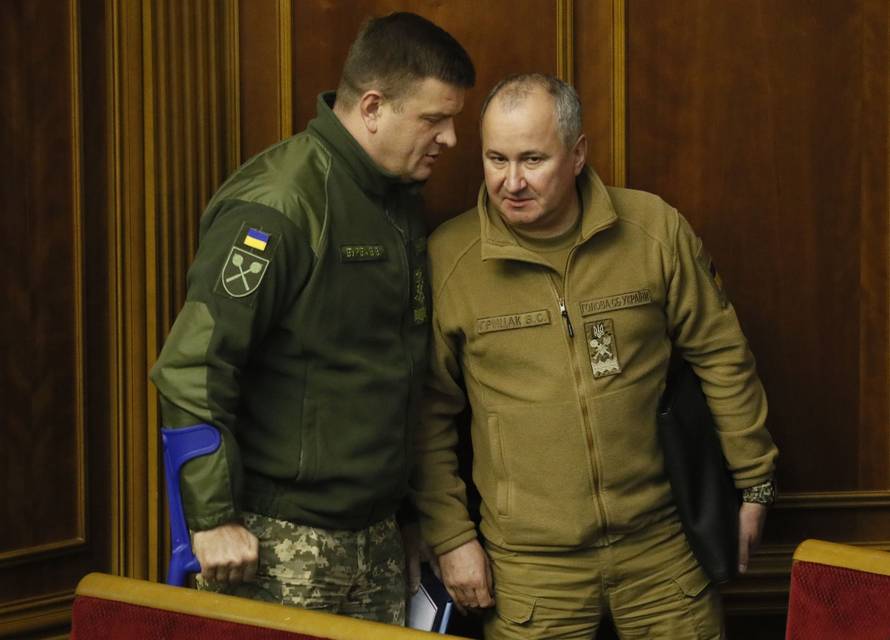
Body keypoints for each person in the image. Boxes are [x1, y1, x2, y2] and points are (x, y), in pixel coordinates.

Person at [411, 73, 778, 639]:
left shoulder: (653, 230)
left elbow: (722, 356)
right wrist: (452, 538)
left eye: (533, 159)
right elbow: (425, 414)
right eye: (496, 159)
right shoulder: (449, 260)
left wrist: (754, 482)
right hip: (531, 570)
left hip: (662, 551)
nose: (511, 182)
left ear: (578, 153)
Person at [150, 12, 474, 625]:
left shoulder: (396, 197)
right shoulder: (279, 202)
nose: (452, 138)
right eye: (435, 118)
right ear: (373, 107)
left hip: (375, 540)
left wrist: (404, 519)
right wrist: (213, 519)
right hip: (279, 545)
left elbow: (387, 370)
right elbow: (193, 364)